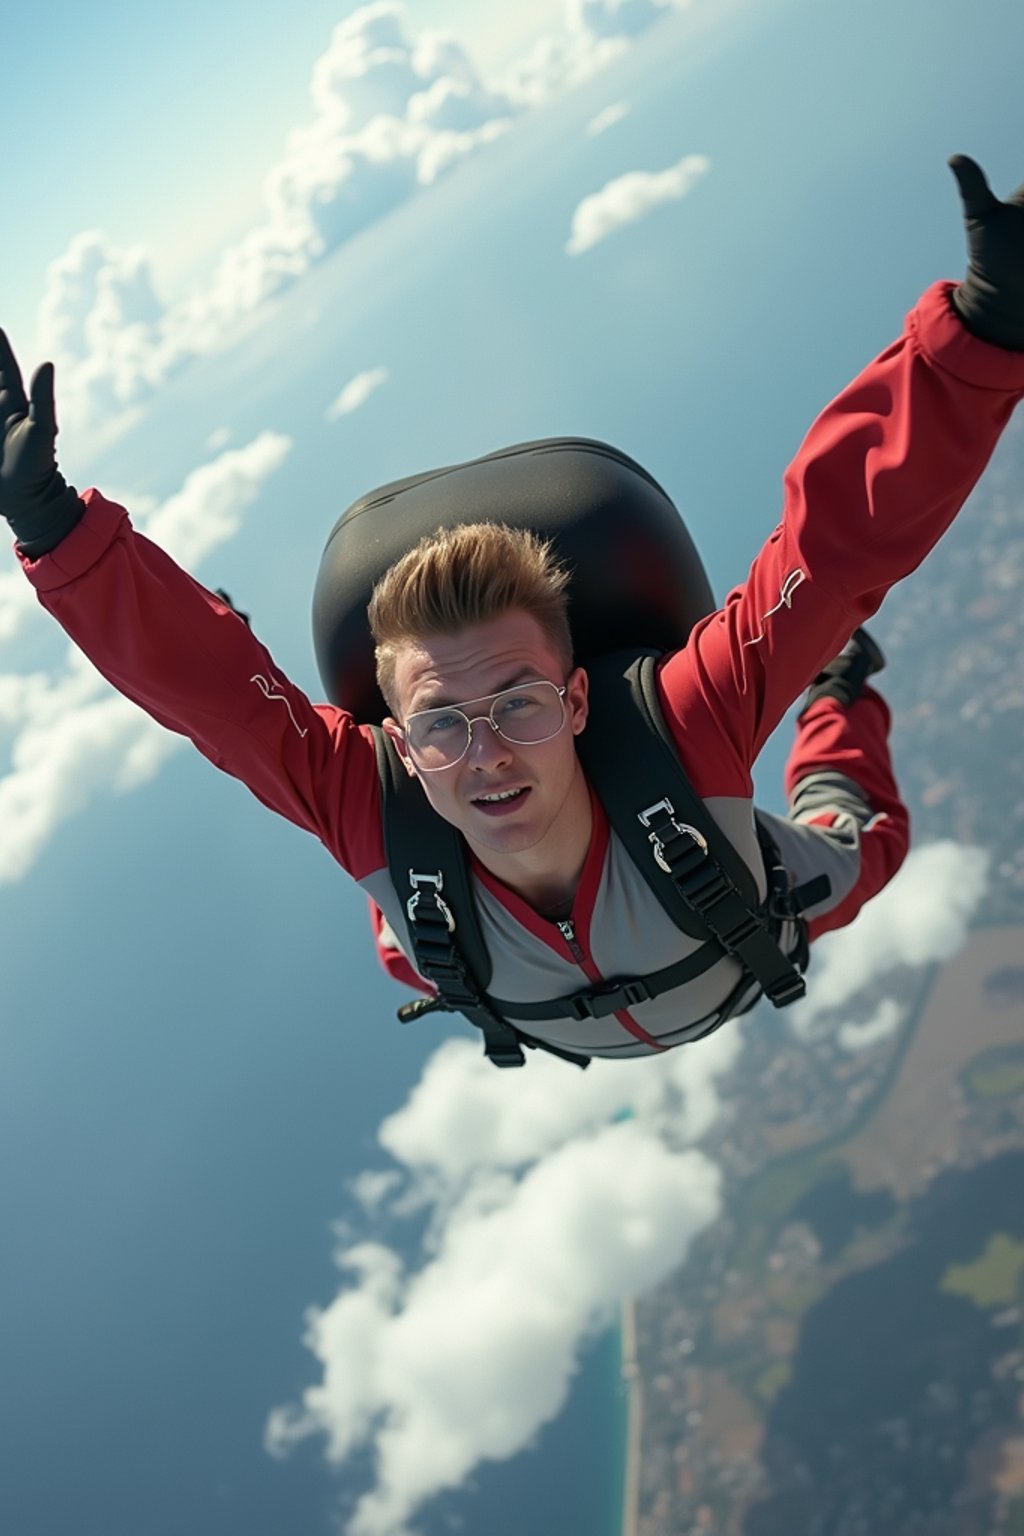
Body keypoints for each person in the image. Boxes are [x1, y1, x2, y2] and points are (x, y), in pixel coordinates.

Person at [1, 155, 1022, 1064]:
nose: (484, 751)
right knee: (389, 903)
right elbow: (217, 702)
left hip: (740, 925)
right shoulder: (380, 800)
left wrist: (979, 336)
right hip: (543, 975)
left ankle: (841, 689)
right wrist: (58, 534)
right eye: (440, 722)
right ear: (395, 736)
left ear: (580, 699)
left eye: (517, 702)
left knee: (865, 842)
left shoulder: (679, 728)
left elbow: (832, 557)